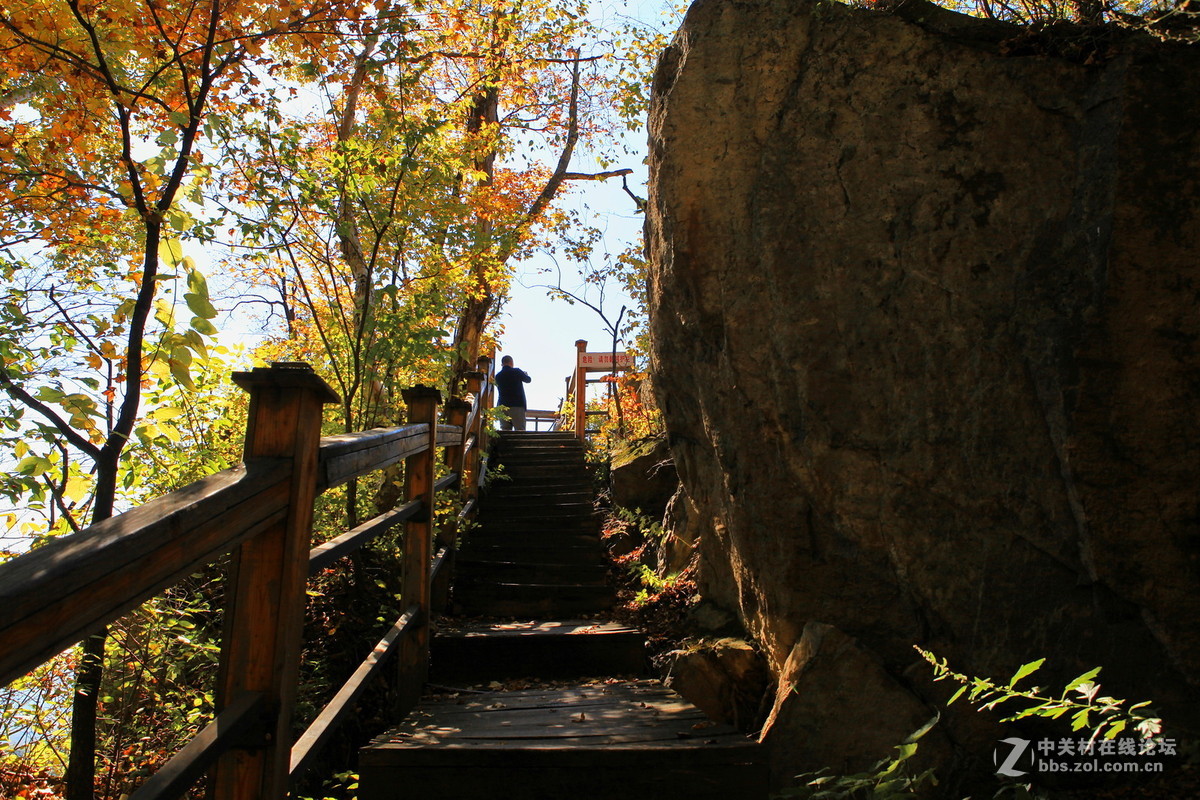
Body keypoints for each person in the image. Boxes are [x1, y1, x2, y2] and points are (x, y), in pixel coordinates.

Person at [494, 355, 532, 431]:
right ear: (511, 362)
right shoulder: (516, 371)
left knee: (505, 431)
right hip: (517, 405)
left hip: (502, 405)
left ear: (502, 364)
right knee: (520, 430)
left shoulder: (498, 376)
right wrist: (525, 374)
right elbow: (528, 380)